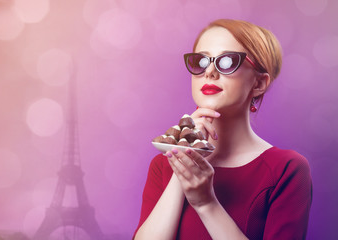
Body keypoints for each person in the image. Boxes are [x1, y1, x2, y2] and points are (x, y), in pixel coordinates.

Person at [133, 19, 312, 240]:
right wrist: (184, 164)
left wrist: (206, 203)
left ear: (259, 84)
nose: (209, 72)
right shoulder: (164, 163)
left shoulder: (286, 169)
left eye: (227, 61)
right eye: (201, 61)